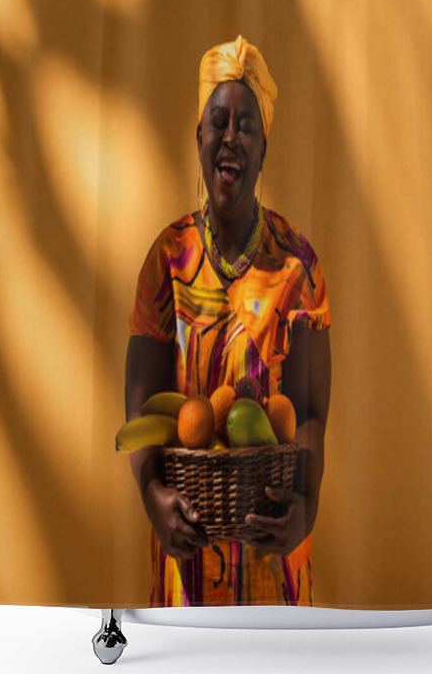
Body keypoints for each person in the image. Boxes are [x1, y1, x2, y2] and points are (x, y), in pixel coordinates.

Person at [125, 34, 332, 606]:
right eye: (219, 121)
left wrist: (306, 509)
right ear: (199, 138)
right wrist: (152, 497)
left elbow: (310, 408)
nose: (231, 138)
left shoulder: (298, 265)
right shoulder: (168, 259)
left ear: (264, 148)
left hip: (275, 568)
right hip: (185, 571)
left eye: (248, 126)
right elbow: (141, 405)